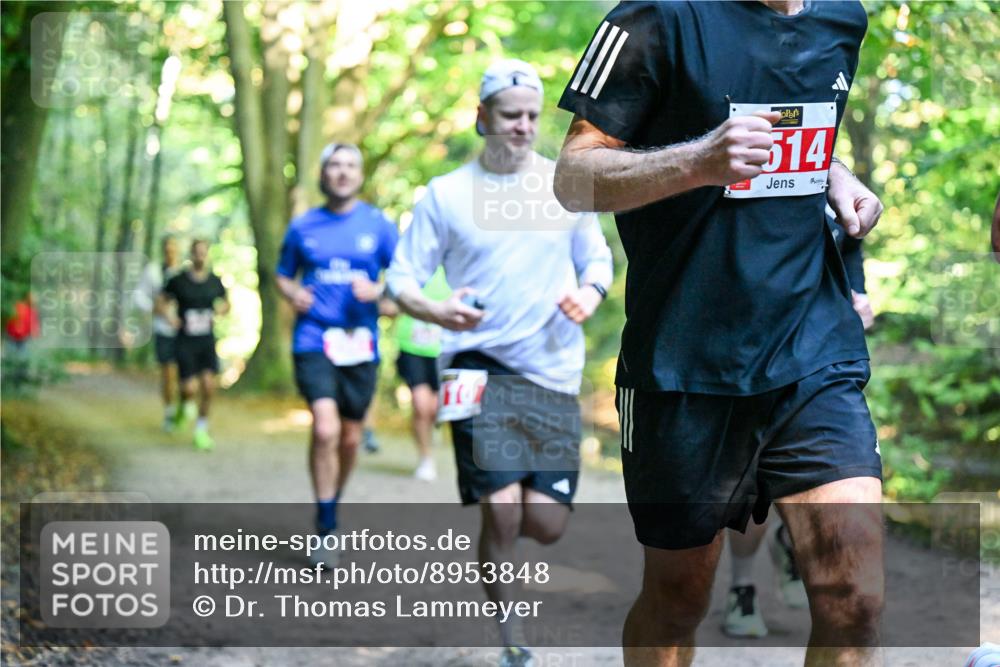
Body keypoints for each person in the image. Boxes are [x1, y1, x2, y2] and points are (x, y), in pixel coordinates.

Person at [554, 2, 885, 665]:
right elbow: (572, 177)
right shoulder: (655, 17)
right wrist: (700, 161)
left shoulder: (841, 19)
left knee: (854, 597)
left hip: (810, 344)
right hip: (683, 362)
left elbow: (795, 125)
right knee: (677, 599)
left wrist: (835, 175)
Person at [386, 59, 614, 667]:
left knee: (545, 523)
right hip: (476, 365)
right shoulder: (445, 195)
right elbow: (401, 278)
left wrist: (589, 293)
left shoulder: (565, 185)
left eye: (532, 116)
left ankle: (498, 542)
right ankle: (511, 631)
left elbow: (597, 261)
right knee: (504, 507)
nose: (523, 126)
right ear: (481, 116)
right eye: (511, 115)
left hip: (552, 369)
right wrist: (435, 310)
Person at [723, 212, 876, 639]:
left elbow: (849, 246)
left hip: (825, 359)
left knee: (837, 482)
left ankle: (788, 543)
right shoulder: (744, 180)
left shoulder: (833, 185)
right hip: (743, 359)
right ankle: (742, 589)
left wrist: (858, 293)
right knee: (750, 493)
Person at [275, 142, 398, 569]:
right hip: (314, 339)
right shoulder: (303, 226)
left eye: (350, 165)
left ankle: (332, 500)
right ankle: (326, 524)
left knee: (349, 437)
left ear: (360, 175)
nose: (343, 172)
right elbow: (282, 275)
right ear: (323, 174)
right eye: (335, 165)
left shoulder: (379, 226)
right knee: (325, 428)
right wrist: (294, 293)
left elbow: (405, 280)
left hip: (360, 342)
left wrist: (380, 291)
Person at [158, 239, 230, 451]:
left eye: (203, 252)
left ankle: (201, 429)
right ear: (191, 254)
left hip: (206, 341)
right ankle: (183, 405)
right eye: (196, 252)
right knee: (189, 388)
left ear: (207, 255)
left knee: (208, 386)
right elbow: (161, 301)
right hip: (185, 341)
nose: (200, 256)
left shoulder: (214, 281)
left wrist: (220, 311)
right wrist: (170, 319)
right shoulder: (178, 280)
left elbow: (227, 302)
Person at [394, 266, 450, 481]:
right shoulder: (411, 265)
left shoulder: (454, 265)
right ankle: (426, 458)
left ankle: (432, 427)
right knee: (420, 405)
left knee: (435, 408)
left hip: (443, 349)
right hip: (412, 348)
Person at [135, 235, 183, 431]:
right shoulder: (154, 271)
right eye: (167, 248)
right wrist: (152, 309)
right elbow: (139, 295)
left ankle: (184, 405)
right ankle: (169, 413)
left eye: (173, 248)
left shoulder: (184, 271)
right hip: (163, 330)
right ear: (163, 250)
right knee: (168, 373)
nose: (170, 251)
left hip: (184, 332)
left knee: (185, 375)